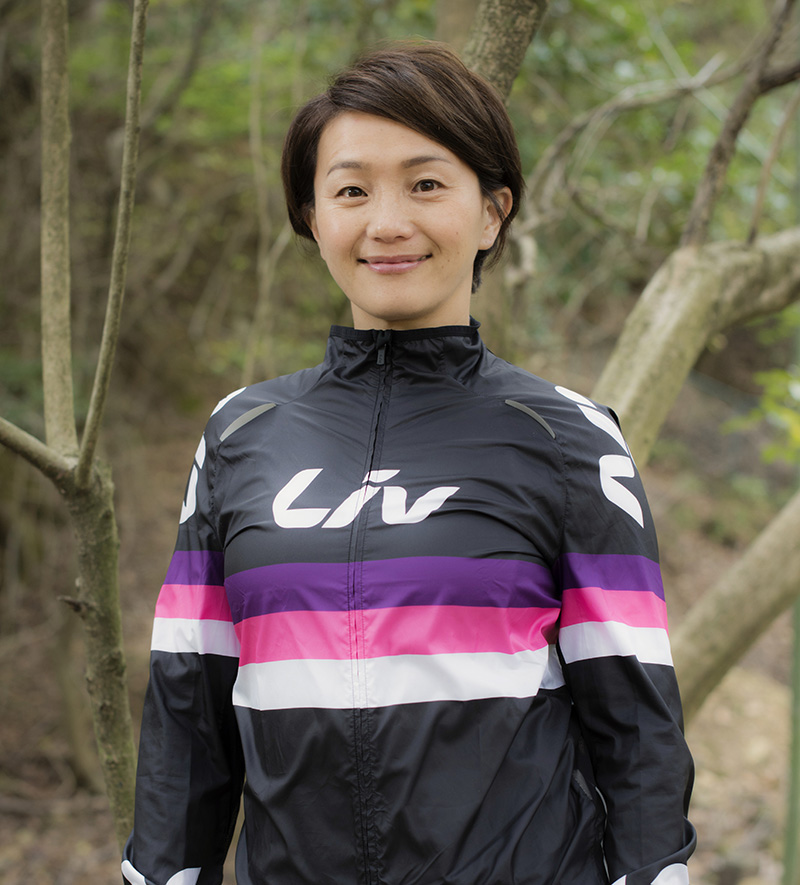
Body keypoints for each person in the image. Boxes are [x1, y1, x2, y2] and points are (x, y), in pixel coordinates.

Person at [122, 41, 695, 885]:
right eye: (351, 190)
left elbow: (639, 729)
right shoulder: (241, 434)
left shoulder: (569, 437)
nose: (386, 223)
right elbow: (187, 714)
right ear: (313, 217)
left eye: (425, 184)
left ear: (492, 212)